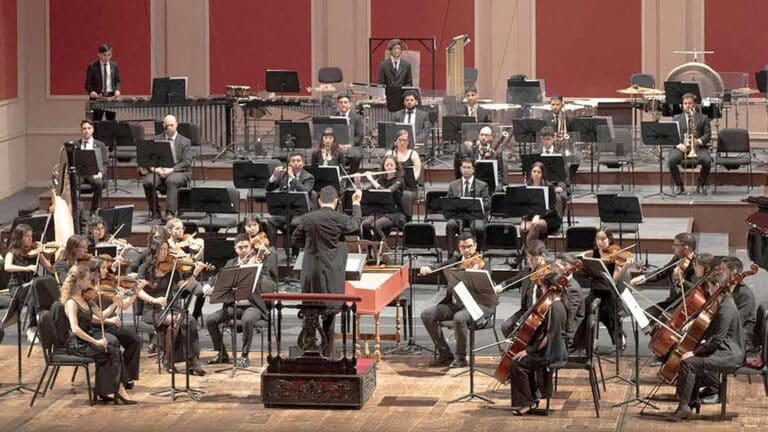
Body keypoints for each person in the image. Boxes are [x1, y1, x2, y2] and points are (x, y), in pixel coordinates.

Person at [292, 186, 363, 358]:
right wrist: (356, 203)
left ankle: (308, 350)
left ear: (319, 200)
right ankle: (327, 352)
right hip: (331, 271)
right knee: (329, 312)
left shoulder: (308, 218)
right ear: (336, 201)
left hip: (310, 271)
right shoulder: (339, 218)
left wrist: (310, 247)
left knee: (310, 310)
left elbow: (295, 239)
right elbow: (355, 224)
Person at [666, 272, 745, 422]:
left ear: (716, 286)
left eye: (709, 287)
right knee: (692, 360)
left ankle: (683, 407)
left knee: (688, 363)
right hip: (726, 350)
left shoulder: (726, 308)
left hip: (730, 355)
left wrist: (694, 352)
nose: (708, 291)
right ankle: (692, 399)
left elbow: (717, 340)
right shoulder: (724, 303)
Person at [59, 264, 135, 404]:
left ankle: (110, 390)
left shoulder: (85, 299)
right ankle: (117, 389)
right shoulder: (72, 303)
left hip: (87, 338)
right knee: (110, 351)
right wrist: (96, 342)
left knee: (112, 348)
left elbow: (100, 317)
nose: (90, 281)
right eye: (87, 279)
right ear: (79, 281)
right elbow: (75, 329)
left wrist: (114, 303)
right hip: (78, 343)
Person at [419, 233, 496, 368]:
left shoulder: (483, 264)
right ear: (459, 248)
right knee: (427, 315)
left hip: (478, 306)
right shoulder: (456, 259)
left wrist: (476, 274)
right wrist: (429, 268)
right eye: (463, 247)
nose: (466, 250)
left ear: (475, 246)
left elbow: (487, 285)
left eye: (469, 246)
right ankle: (445, 354)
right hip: (456, 304)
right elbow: (440, 265)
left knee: (459, 318)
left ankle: (461, 357)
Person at [203, 234, 276, 368]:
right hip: (233, 306)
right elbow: (217, 278)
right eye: (240, 248)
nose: (243, 250)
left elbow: (270, 284)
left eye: (246, 247)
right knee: (210, 320)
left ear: (250, 246)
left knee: (247, 320)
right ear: (235, 248)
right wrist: (207, 285)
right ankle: (222, 353)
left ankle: (244, 355)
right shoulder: (231, 263)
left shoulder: (259, 263)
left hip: (253, 306)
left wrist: (257, 266)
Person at [136, 239, 207, 375]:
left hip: (170, 308)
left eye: (165, 249)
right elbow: (138, 291)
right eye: (161, 249)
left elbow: (183, 287)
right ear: (154, 251)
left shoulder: (172, 269)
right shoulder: (144, 268)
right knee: (179, 321)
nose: (164, 252)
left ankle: (178, 359)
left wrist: (195, 274)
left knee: (187, 321)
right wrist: (154, 299)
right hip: (152, 310)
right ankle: (188, 361)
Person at [507, 272, 569, 415]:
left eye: (542, 288)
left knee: (517, 363)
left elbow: (549, 336)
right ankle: (532, 397)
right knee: (521, 360)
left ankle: (527, 403)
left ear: (549, 289)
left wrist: (528, 351)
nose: (541, 291)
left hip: (553, 352)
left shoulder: (554, 307)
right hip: (556, 348)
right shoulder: (561, 303)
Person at [579, 229, 633, 349]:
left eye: (603, 239)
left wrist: (626, 266)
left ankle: (620, 340)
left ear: (609, 239)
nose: (600, 242)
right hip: (596, 290)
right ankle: (588, 342)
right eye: (597, 239)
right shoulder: (594, 253)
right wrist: (580, 259)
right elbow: (582, 256)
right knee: (586, 309)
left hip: (609, 292)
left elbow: (614, 280)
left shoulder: (615, 256)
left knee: (609, 312)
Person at [3, 224, 54, 342]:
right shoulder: (12, 253)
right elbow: (7, 267)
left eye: (31, 236)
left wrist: (61, 255)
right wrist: (27, 268)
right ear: (19, 238)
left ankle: (47, 325)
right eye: (27, 236)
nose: (31, 239)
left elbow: (51, 269)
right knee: (33, 292)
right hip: (18, 287)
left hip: (33, 285)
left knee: (42, 291)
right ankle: (31, 328)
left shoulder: (36, 253)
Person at [630, 232, 696, 320]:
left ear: (686, 247)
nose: (673, 248)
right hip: (672, 302)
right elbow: (662, 272)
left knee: (660, 321)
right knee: (645, 316)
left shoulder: (696, 265)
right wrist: (644, 278)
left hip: (685, 305)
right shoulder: (677, 259)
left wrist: (681, 280)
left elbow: (695, 290)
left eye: (676, 245)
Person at [140, 114, 193, 220]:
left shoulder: (185, 141)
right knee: (148, 182)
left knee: (171, 180)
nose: (169, 128)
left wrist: (171, 170)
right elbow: (148, 159)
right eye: (166, 126)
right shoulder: (156, 139)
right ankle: (155, 211)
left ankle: (170, 213)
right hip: (159, 170)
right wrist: (155, 169)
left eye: (171, 125)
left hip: (179, 172)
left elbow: (187, 161)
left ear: (176, 125)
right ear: (163, 125)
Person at [264, 152, 316, 250]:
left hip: (301, 211)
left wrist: (292, 178)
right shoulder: (283, 175)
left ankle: (294, 253)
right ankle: (271, 249)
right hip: (285, 210)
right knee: (270, 221)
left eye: (298, 161)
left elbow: (305, 190)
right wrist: (274, 176)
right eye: (293, 161)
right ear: (289, 164)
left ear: (303, 163)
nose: (296, 163)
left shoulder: (309, 177)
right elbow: (268, 188)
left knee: (294, 224)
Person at [667, 93, 712, 195]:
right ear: (682, 105)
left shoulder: (704, 118)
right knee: (671, 160)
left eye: (690, 103)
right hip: (681, 148)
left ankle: (701, 185)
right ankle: (679, 185)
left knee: (707, 161)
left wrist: (698, 141)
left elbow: (707, 135)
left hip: (698, 148)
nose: (687, 105)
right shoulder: (676, 118)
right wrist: (679, 145)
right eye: (685, 103)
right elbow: (672, 136)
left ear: (695, 105)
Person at [360, 155, 407, 248]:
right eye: (387, 165)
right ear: (384, 167)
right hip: (379, 212)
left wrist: (371, 180)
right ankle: (370, 250)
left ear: (396, 167)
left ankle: (384, 251)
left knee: (376, 225)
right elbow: (366, 192)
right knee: (365, 224)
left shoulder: (399, 181)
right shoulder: (381, 180)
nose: (389, 167)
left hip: (394, 213)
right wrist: (357, 183)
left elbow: (387, 192)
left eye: (391, 165)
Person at [445, 158, 489, 254]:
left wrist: (477, 204)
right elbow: (447, 202)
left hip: (475, 215)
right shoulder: (453, 185)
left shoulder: (482, 185)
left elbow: (487, 203)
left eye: (468, 167)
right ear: (460, 169)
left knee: (479, 227)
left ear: (473, 169)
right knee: (450, 224)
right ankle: (451, 253)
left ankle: (478, 252)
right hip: (458, 215)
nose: (466, 170)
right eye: (464, 167)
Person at [519, 162, 563, 244]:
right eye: (534, 171)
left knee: (536, 225)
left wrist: (538, 216)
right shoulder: (527, 186)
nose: (536, 174)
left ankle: (528, 253)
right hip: (531, 217)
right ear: (531, 173)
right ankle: (532, 251)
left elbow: (551, 208)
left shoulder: (549, 187)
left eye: (538, 172)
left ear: (542, 174)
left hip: (549, 218)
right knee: (522, 228)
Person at [720, 256, 756, 352]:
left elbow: (737, 321)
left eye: (723, 269)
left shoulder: (745, 294)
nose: (720, 272)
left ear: (733, 272)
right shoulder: (728, 287)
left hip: (740, 338)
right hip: (730, 332)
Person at [76, 120, 107, 212]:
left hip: (94, 173)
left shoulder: (100, 145)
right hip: (80, 174)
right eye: (84, 128)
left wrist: (101, 173)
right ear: (81, 130)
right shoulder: (76, 145)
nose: (86, 131)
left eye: (89, 128)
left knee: (99, 183)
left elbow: (105, 163)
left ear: (93, 130)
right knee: (72, 183)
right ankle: (77, 210)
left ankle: (93, 210)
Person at [85, 44, 121, 121]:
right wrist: (91, 92)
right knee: (97, 122)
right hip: (98, 98)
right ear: (99, 54)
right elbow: (87, 84)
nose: (106, 57)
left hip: (110, 98)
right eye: (104, 55)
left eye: (109, 55)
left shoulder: (114, 66)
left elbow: (117, 81)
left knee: (111, 122)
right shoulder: (92, 66)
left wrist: (117, 90)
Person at [333, 94, 364, 172]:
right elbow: (331, 134)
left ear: (350, 104)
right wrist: (337, 145)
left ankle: (351, 179)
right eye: (341, 102)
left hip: (352, 146)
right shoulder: (333, 117)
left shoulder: (357, 118)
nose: (343, 104)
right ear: (337, 104)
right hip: (337, 146)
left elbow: (359, 136)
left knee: (357, 156)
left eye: (345, 102)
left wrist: (349, 144)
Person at [389, 129, 421, 194]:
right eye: (400, 140)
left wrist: (411, 180)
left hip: (409, 187)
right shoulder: (390, 154)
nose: (402, 142)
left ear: (408, 142)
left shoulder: (413, 154)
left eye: (404, 140)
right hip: (392, 184)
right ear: (395, 141)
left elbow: (417, 172)